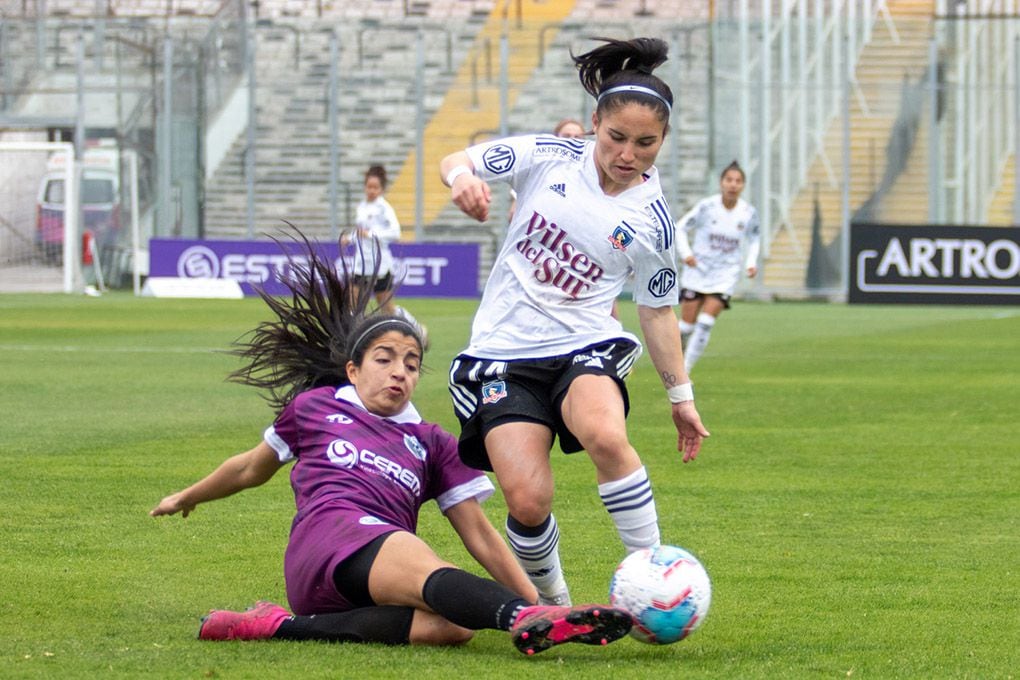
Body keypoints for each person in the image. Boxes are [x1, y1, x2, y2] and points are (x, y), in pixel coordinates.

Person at [150, 230, 632, 656]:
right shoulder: (317, 408)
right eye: (385, 359)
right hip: (327, 544)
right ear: (354, 369)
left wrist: (535, 595)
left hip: (374, 575)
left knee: (454, 628)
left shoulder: (432, 441)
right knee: (416, 556)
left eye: (412, 363)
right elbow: (249, 468)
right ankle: (524, 622)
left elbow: (480, 533)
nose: (400, 370)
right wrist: (187, 496)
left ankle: (279, 626)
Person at [439, 37, 710, 607]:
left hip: (585, 342)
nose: (628, 154)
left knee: (606, 434)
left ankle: (654, 578)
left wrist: (680, 396)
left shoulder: (654, 223)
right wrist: (460, 179)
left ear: (663, 140)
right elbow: (457, 159)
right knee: (527, 501)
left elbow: (657, 311)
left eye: (646, 143)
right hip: (503, 352)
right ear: (594, 124)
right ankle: (557, 606)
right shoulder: (547, 155)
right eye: (616, 138)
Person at [675, 160, 761, 373]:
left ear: (743, 185)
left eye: (738, 181)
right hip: (698, 270)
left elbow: (755, 239)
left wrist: (750, 263)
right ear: (721, 183)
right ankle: (674, 360)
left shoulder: (748, 213)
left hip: (725, 273)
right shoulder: (707, 207)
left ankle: (685, 371)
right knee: (685, 326)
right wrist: (686, 254)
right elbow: (680, 228)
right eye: (729, 180)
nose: (733, 185)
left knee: (705, 322)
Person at [347, 164, 428, 344]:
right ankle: (354, 339)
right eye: (369, 186)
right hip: (361, 263)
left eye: (375, 187)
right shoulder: (361, 206)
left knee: (386, 308)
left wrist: (371, 235)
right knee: (353, 302)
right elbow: (362, 232)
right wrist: (350, 237)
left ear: (382, 189)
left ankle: (416, 328)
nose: (372, 190)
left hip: (379, 264)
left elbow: (395, 233)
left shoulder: (384, 208)